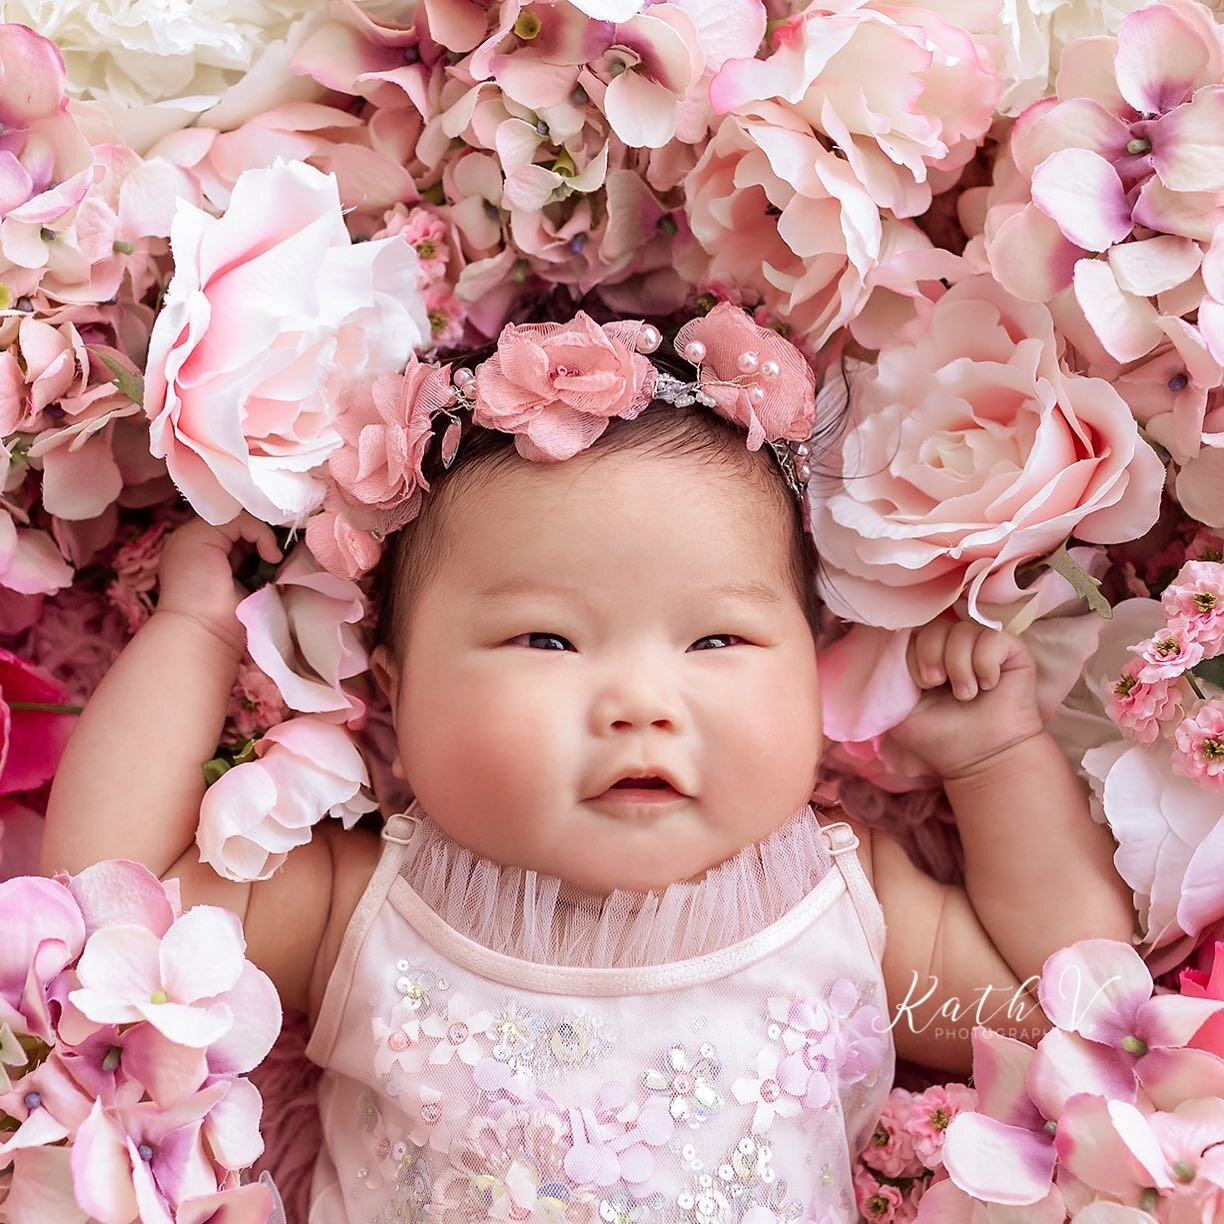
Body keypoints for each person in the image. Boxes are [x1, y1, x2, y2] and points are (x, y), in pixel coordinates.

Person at [42, 305, 1135, 1223]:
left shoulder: (843, 910)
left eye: (719, 642)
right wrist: (196, 630)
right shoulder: (362, 911)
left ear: (814, 669)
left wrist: (995, 760)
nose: (642, 706)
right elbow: (102, 919)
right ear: (395, 687)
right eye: (546, 641)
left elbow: (1072, 1012)